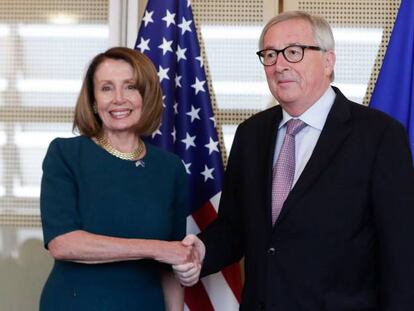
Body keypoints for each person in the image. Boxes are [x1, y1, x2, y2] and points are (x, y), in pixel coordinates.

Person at [173, 11, 414, 310]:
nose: (280, 65)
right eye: (270, 54)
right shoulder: (250, 134)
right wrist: (202, 250)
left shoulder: (379, 135)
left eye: (294, 52)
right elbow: (235, 227)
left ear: (328, 61)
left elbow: (401, 253)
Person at [40, 47, 197, 311]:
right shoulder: (65, 154)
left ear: (145, 96)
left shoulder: (170, 169)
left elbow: (169, 269)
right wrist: (157, 248)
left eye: (130, 87)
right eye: (107, 88)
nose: (119, 99)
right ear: (93, 100)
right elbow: (63, 244)